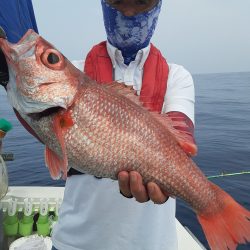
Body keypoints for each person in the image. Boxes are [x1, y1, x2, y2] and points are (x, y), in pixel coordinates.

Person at [51, 0, 196, 250]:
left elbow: (180, 141)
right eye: (118, 1)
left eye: (141, 2)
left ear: (158, 6)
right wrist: (9, 77)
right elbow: (42, 124)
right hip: (74, 241)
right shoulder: (73, 73)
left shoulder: (176, 76)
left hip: (153, 243)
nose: (129, 12)